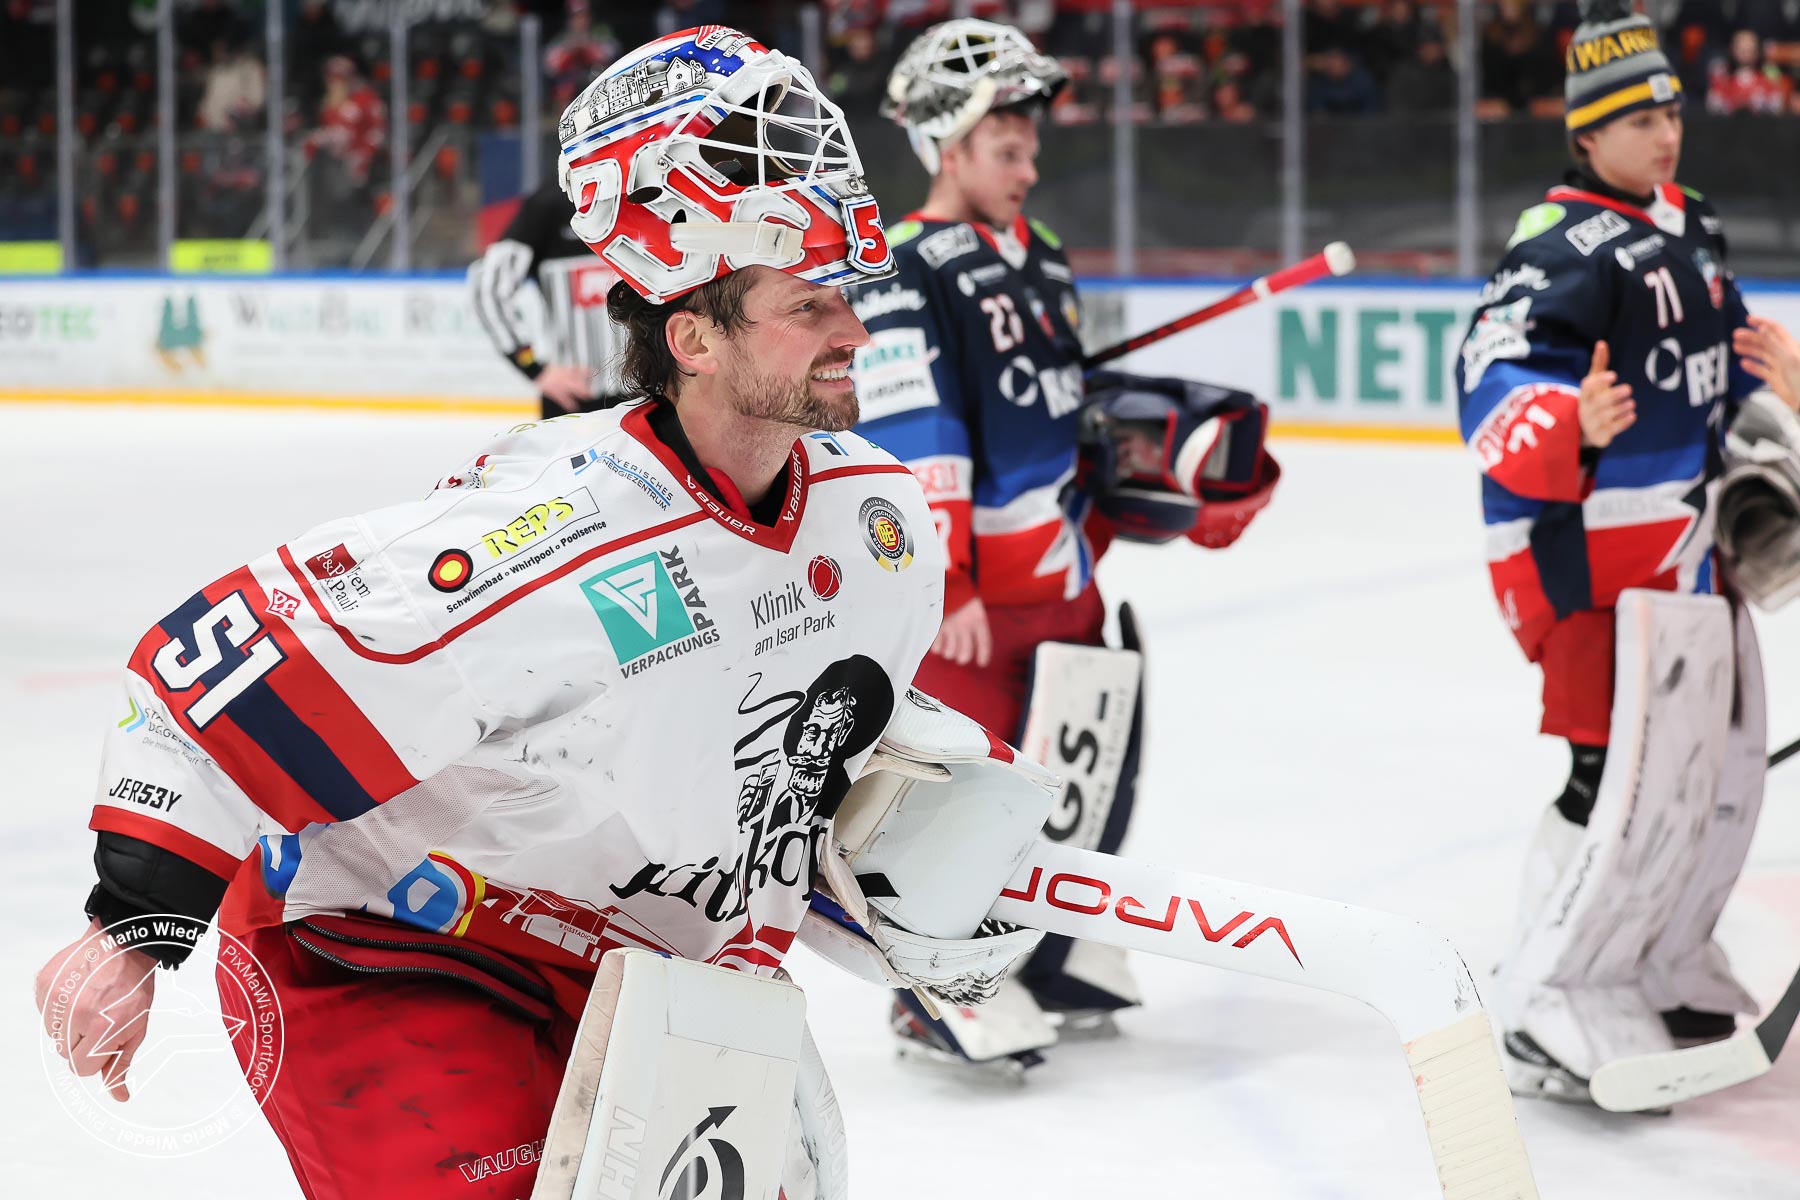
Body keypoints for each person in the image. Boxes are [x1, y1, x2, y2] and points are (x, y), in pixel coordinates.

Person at [34, 28, 1038, 1199]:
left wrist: (913, 877)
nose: (854, 331)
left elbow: (787, 777)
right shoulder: (553, 533)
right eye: (809, 306)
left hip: (647, 976)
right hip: (391, 950)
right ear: (695, 339)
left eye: (844, 299)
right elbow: (227, 665)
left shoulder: (878, 521)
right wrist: (129, 926)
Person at [844, 17, 1280, 1076]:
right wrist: (944, 576)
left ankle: (1048, 950)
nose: (1029, 168)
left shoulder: (1039, 257)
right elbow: (919, 428)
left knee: (1075, 774)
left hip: (1064, 579)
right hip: (976, 603)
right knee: (963, 792)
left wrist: (1142, 479)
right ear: (949, 147)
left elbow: (1063, 417)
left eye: (1031, 147)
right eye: (1007, 148)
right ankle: (934, 985)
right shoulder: (905, 267)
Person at [1455, 0, 1800, 1105]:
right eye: (1640, 119)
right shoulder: (1557, 243)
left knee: (1701, 774)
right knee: (1605, 774)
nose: (1666, 133)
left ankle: (1656, 955)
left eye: (1672, 112)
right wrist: (1573, 418)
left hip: (1687, 557)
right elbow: (1488, 375)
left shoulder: (1692, 222)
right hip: (1590, 567)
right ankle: (1537, 993)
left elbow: (1721, 367)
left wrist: (1775, 390)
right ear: (1587, 133)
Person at [467, 179, 632, 418]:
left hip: (651, 398)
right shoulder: (549, 203)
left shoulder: (646, 190)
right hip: (576, 401)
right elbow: (488, 289)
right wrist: (534, 368)